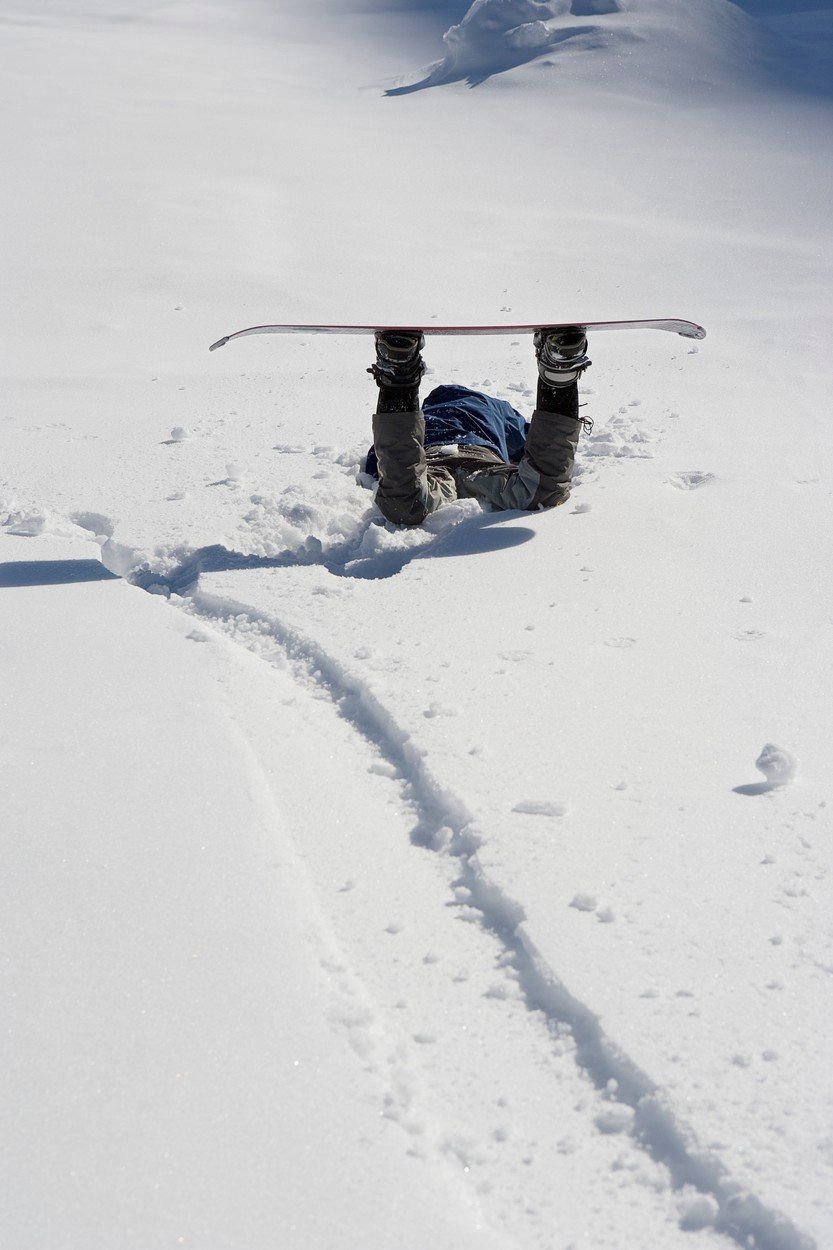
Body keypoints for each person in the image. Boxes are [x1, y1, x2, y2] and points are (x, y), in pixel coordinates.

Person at [365, 327, 593, 526]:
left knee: (403, 505)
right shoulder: (496, 408)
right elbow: (531, 441)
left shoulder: (426, 413)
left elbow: (383, 452)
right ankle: (558, 371)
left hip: (436, 463)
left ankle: (400, 372)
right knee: (542, 492)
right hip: (481, 464)